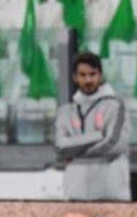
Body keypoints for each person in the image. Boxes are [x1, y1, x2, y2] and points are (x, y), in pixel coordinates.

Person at [53, 52, 132, 201]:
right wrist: (97, 135)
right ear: (75, 78)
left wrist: (75, 151)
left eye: (92, 74)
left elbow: (114, 144)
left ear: (100, 76)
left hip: (110, 194)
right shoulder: (66, 111)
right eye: (82, 75)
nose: (88, 79)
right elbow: (59, 149)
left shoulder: (115, 106)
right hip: (76, 194)